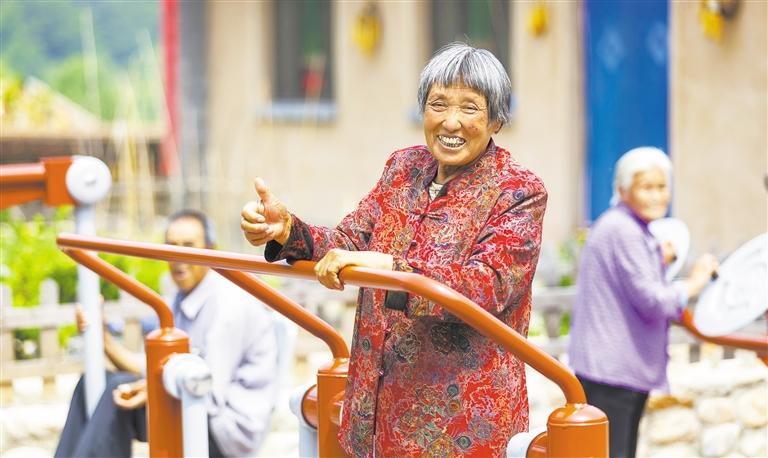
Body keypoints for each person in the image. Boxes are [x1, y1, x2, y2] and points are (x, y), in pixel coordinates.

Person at [241, 42, 547, 457]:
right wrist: (286, 230)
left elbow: (487, 286)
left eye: (469, 108)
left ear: (495, 120)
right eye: (438, 104)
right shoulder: (404, 168)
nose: (451, 121)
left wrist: (393, 268)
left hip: (458, 427)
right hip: (373, 412)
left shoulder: (518, 191)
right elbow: (350, 243)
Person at [55, 209, 278, 457]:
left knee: (118, 390)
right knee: (96, 382)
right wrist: (103, 339)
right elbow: (153, 368)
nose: (178, 257)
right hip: (193, 404)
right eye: (171, 247)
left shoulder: (229, 305)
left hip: (225, 429)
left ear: (210, 250)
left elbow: (207, 390)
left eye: (188, 247)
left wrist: (153, 389)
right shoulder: (183, 300)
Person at [568, 147, 719, 458]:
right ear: (623, 190)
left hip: (612, 368)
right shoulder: (623, 230)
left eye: (662, 187)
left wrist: (659, 257)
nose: (656, 196)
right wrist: (695, 282)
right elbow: (652, 300)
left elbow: (629, 278)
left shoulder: (625, 226)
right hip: (612, 372)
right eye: (646, 187)